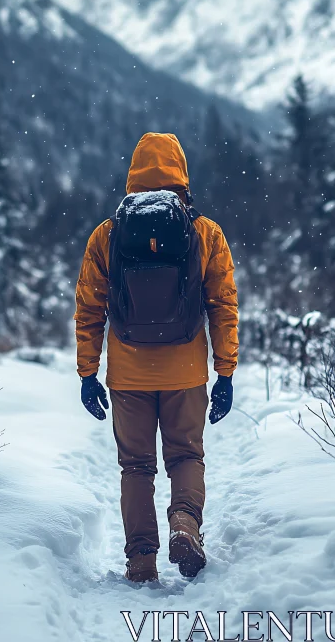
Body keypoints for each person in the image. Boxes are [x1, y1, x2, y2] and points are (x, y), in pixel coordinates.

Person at [75, 132, 239, 583]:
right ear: (181, 172)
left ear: (134, 173)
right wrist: (225, 372)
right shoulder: (204, 232)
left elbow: (89, 308)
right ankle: (184, 523)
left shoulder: (108, 234)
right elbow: (222, 305)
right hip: (186, 371)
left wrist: (88, 372)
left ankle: (142, 561)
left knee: (136, 467)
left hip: (129, 373)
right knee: (185, 456)